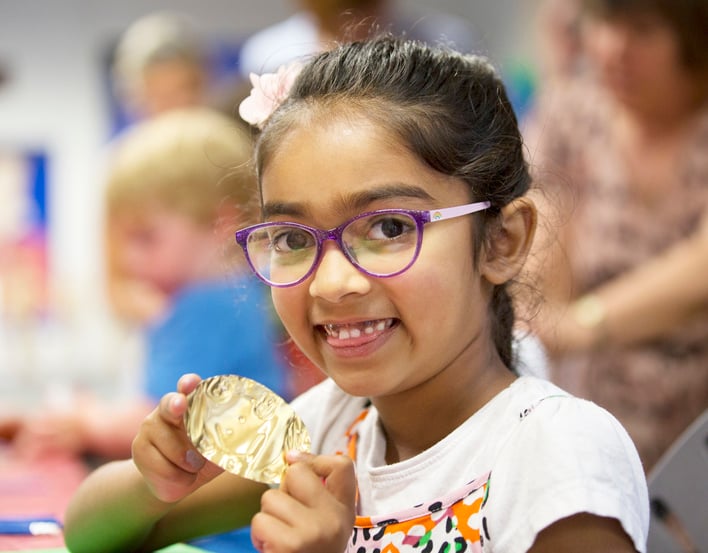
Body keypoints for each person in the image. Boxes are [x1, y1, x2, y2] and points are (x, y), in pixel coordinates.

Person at [64, 36, 648, 553]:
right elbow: (91, 535)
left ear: (501, 240)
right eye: (293, 237)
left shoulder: (559, 457)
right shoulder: (332, 425)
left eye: (390, 228)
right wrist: (154, 483)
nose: (331, 281)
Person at [3, 107, 289, 460]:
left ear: (221, 223)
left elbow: (158, 425)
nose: (128, 259)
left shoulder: (207, 307)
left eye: (145, 238)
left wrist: (85, 420)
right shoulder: (237, 297)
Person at [523, 0, 708, 472]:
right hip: (591, 423)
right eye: (604, 24)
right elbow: (536, 231)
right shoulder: (574, 116)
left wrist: (582, 324)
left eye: (643, 30)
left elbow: (698, 272)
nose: (613, 49)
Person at [238, 0, 480, 77]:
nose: (355, 27)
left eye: (366, 8)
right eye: (337, 14)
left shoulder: (445, 41)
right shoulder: (270, 55)